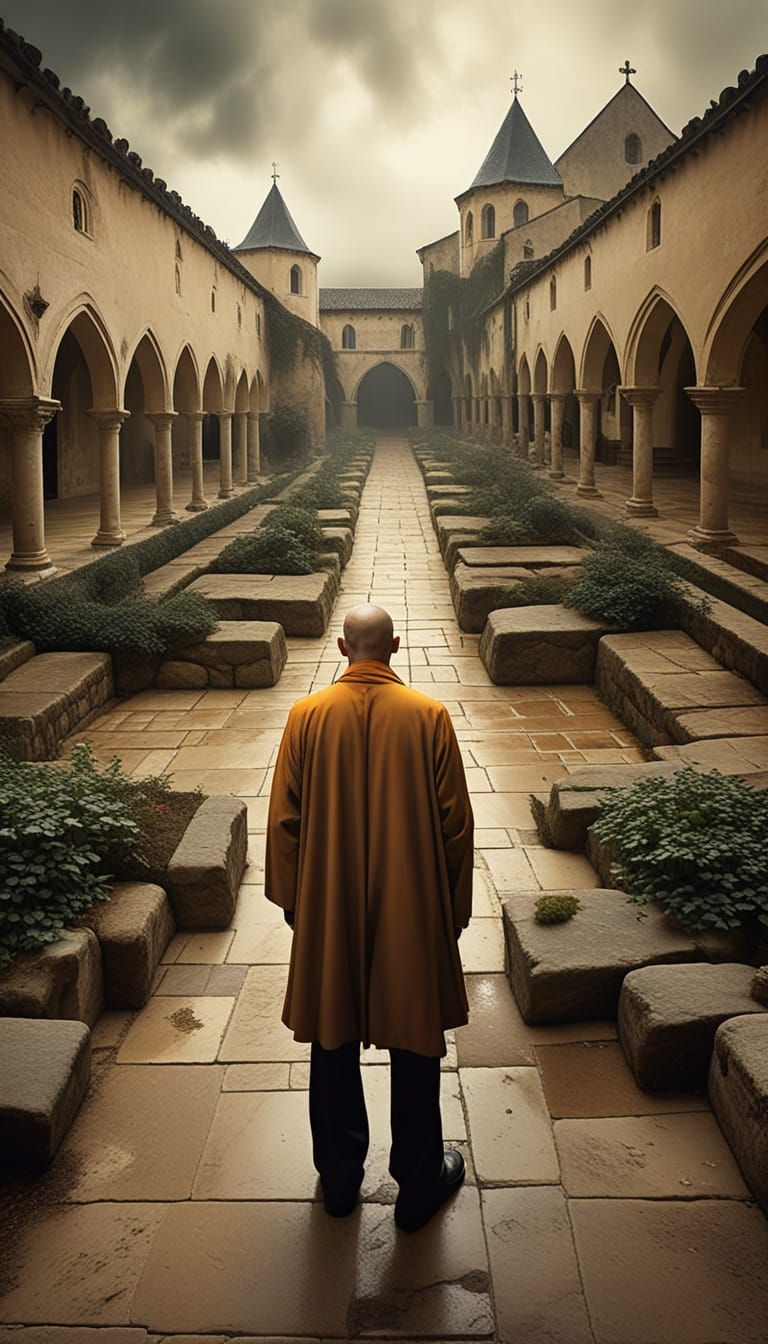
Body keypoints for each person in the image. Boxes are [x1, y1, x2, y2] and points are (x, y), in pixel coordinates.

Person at [265, 603, 474, 1232]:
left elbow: (284, 822)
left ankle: (339, 1180)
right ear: (396, 646)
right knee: (414, 1035)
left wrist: (297, 906)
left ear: (341, 648)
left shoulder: (305, 716)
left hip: (328, 899)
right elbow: (456, 827)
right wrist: (450, 913)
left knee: (331, 1035)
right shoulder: (429, 716)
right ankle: (417, 1184)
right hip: (412, 901)